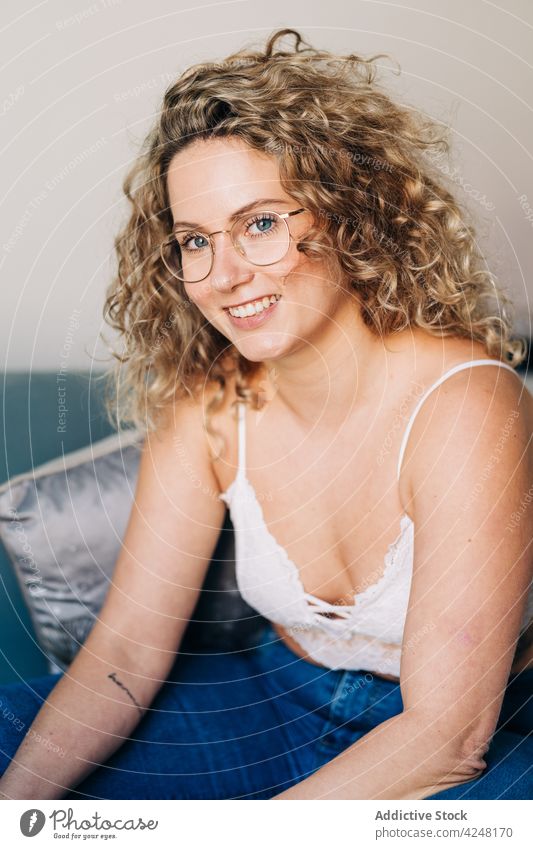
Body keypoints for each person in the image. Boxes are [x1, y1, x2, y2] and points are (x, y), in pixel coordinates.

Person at [0, 27, 531, 801]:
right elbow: (126, 649)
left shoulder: (469, 403)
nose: (224, 275)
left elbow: (446, 737)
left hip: (463, 737)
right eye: (194, 241)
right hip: (275, 696)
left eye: (260, 223)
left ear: (347, 212)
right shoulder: (210, 405)